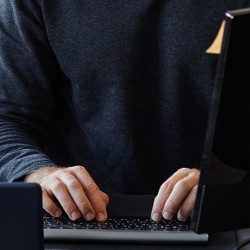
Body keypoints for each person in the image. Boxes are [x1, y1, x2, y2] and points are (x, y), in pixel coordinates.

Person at [0, 1, 248, 223]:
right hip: (80, 218)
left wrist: (223, 182)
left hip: (219, 218)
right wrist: (39, 173)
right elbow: (7, 119)